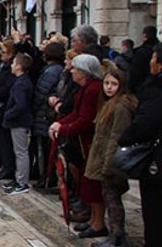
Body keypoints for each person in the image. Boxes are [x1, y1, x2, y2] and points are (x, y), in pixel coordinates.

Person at [49, 54, 106, 238]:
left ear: (84, 72)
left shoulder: (92, 90)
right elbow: (76, 113)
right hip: (83, 143)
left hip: (90, 143)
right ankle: (92, 220)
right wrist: (60, 124)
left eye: (74, 68)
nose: (71, 71)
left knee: (93, 185)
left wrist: (63, 128)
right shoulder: (84, 89)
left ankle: (98, 223)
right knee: (86, 182)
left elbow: (85, 120)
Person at [118, 43, 162, 247]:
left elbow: (145, 123)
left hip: (156, 160)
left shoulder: (156, 89)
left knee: (154, 209)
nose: (150, 62)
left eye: (153, 58)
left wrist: (125, 138)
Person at [87, 64, 135, 247]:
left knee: (113, 199)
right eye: (106, 83)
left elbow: (116, 137)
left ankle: (118, 235)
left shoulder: (121, 107)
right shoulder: (108, 104)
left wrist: (109, 165)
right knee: (108, 197)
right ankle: (114, 233)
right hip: (102, 158)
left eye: (113, 84)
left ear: (121, 86)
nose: (109, 87)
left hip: (111, 162)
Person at [31, 42, 65, 188]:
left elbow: (41, 93)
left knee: (43, 149)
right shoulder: (57, 70)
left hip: (44, 115)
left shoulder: (51, 72)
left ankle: (45, 177)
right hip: (46, 114)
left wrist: (36, 107)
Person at [2, 53, 34, 195]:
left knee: (21, 152)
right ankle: (18, 178)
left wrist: (9, 114)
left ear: (19, 66)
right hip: (17, 121)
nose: (11, 66)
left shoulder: (22, 83)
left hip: (19, 122)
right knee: (18, 151)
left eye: (14, 63)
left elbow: (20, 105)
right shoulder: (21, 81)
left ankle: (22, 182)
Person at [0, 40, 18, 181]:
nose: (1, 54)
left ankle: (8, 168)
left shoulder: (10, 69)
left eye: (4, 52)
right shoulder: (3, 66)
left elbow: (7, 87)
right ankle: (4, 166)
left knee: (6, 141)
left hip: (3, 106)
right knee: (1, 139)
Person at [129, 26, 159, 95]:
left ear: (144, 35)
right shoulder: (158, 49)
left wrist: (130, 88)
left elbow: (135, 73)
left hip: (142, 88)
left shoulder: (140, 52)